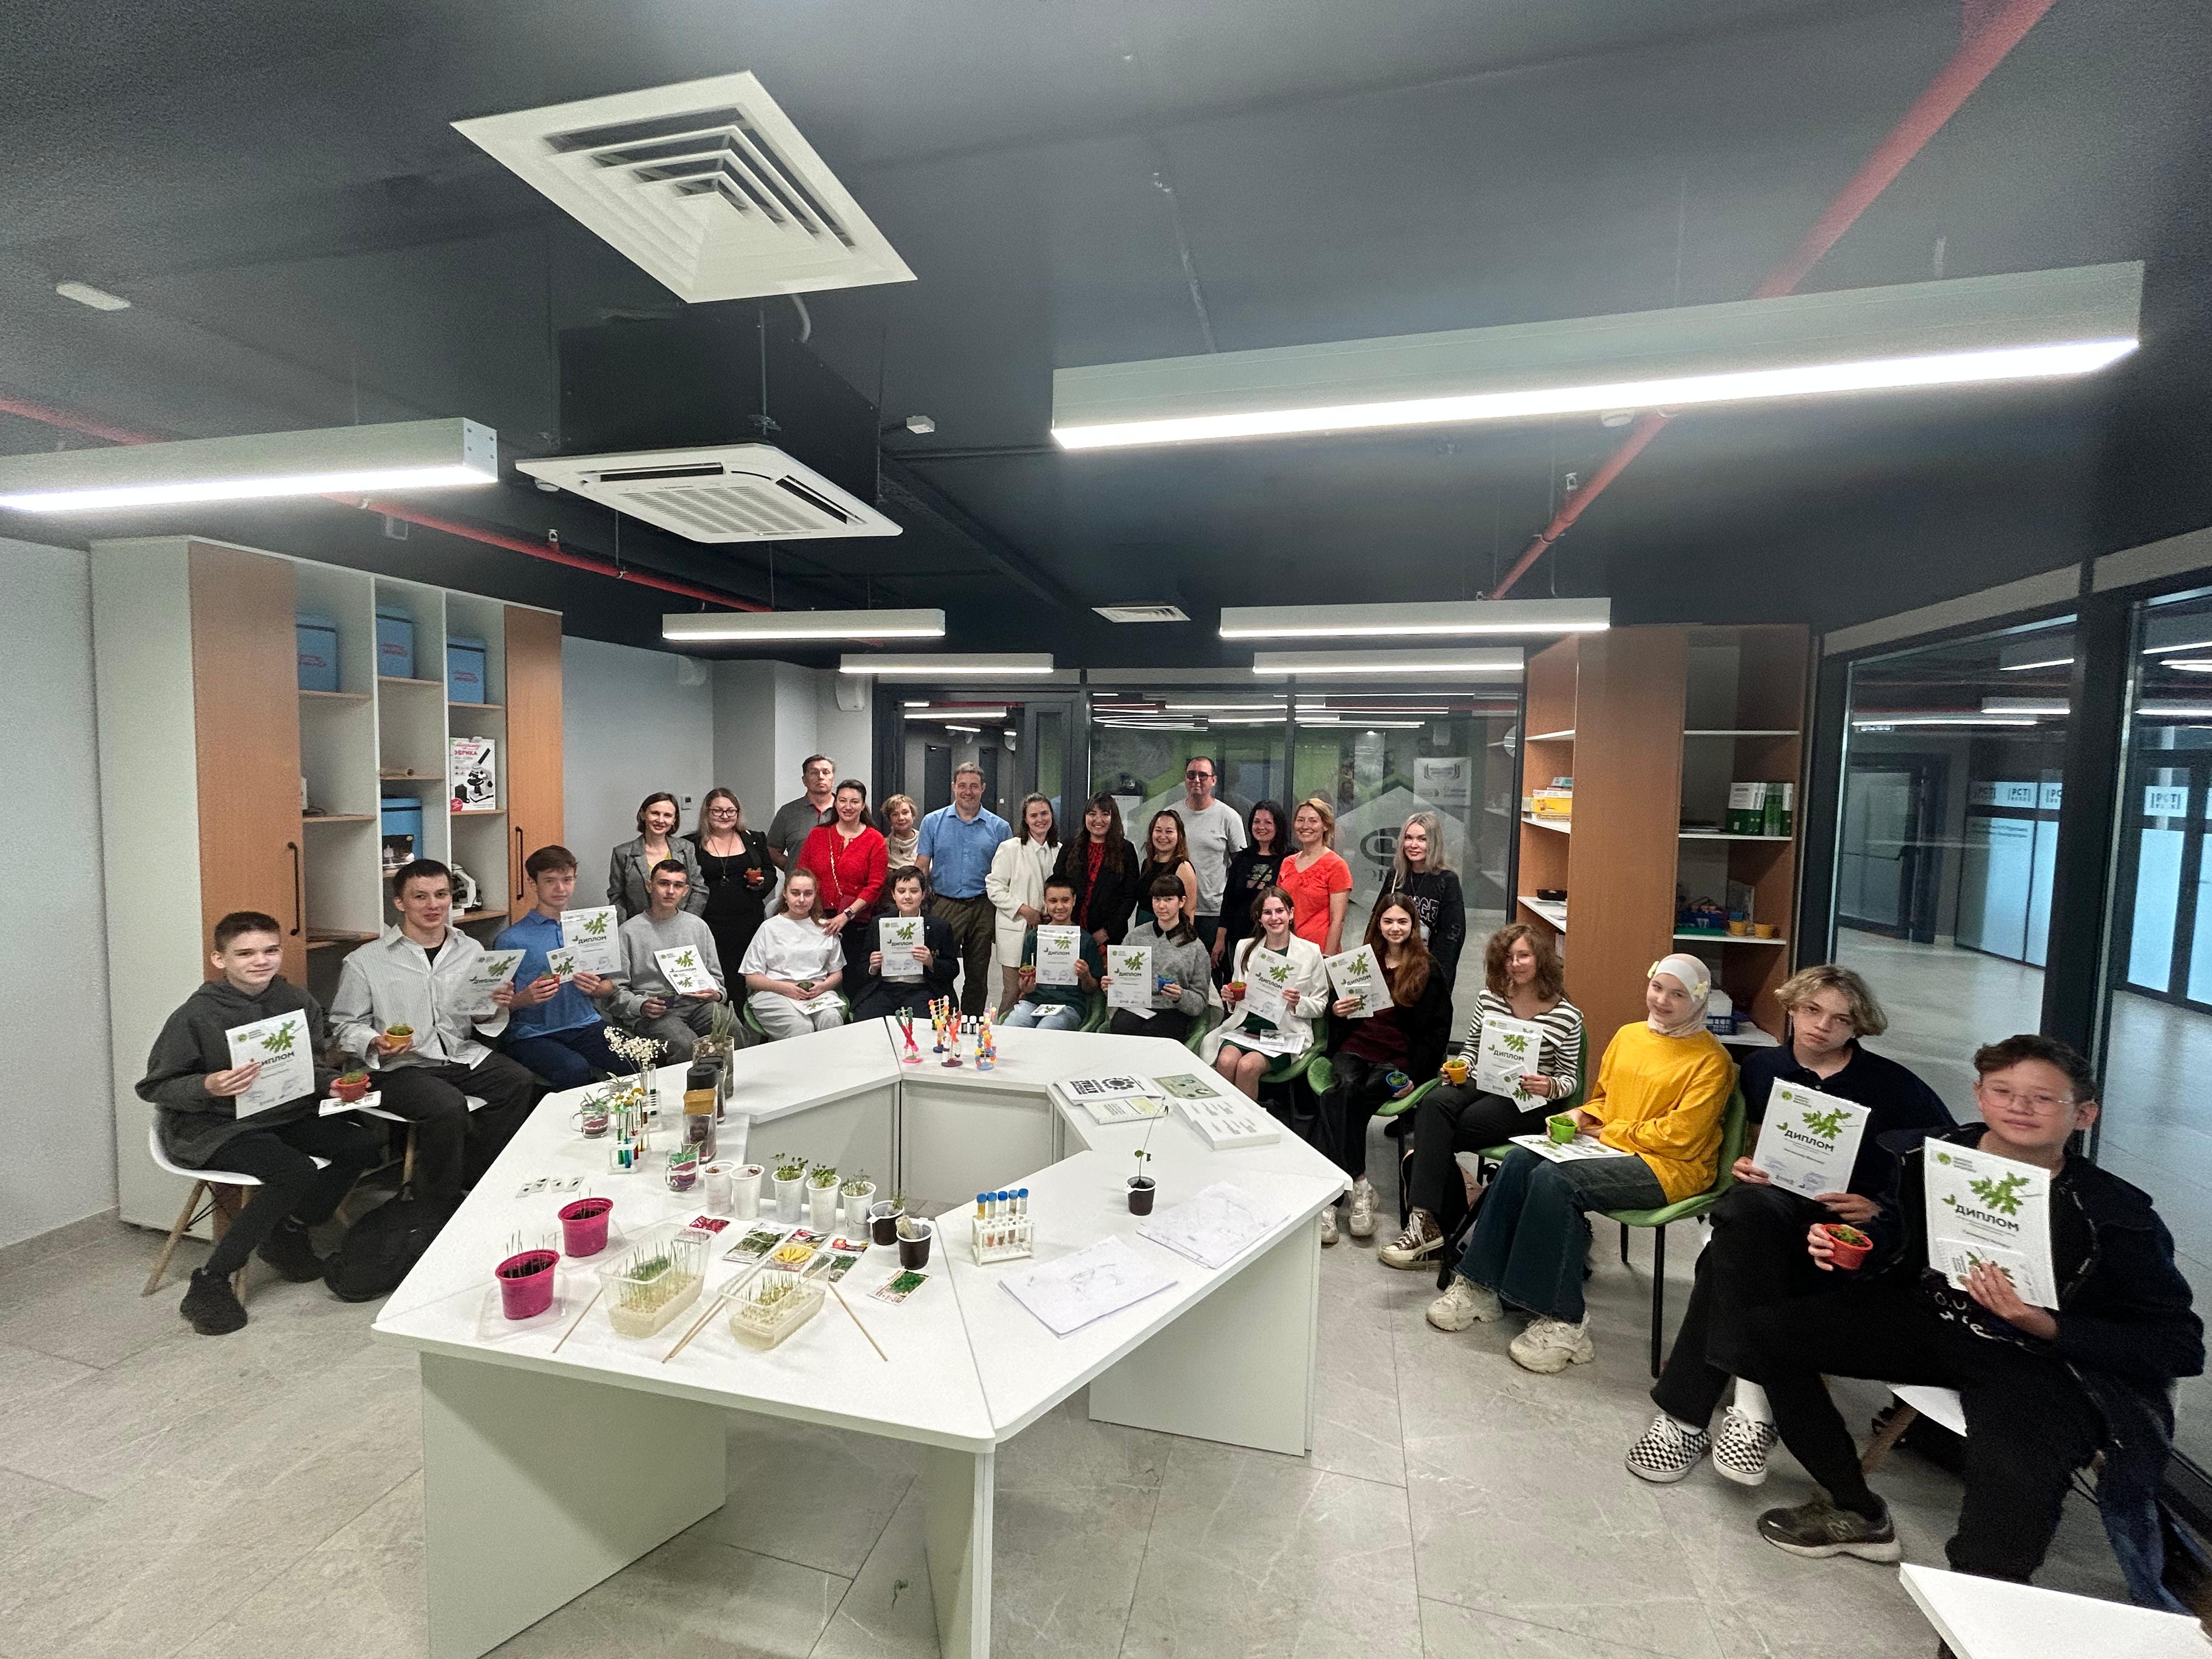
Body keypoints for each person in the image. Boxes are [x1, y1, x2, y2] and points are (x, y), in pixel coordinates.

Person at [1737, 1036, 2201, 1607]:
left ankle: (1981, 1611)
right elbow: (1901, 1238)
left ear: (2084, 1115)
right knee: (1764, 1334)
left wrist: (2043, 1324)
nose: (2019, 1107)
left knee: (2009, 1495)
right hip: (1932, 1321)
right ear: (1980, 1096)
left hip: (2037, 1361)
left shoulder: (2117, 1216)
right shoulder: (1938, 1156)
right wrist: (1859, 1247)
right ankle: (1854, 1508)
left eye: (2043, 1098)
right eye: (2003, 1091)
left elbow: (2179, 1345)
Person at [1626, 964, 1952, 1488]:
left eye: (1841, 1019)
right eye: (1812, 1010)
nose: (1823, 1026)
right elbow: (1739, 1143)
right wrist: (1739, 1164)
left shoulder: (1894, 1086)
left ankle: (1686, 1418)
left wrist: (1881, 1207)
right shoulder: (1761, 1069)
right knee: (1745, 1213)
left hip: (1840, 1223)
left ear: (1858, 1026)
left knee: (1726, 1256)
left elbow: (1945, 1159)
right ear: (1793, 1008)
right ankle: (1753, 1414)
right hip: (1772, 1200)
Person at [1427, 954, 1733, 1374]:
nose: (1662, 1001)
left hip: (1669, 1168)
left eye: (1678, 995)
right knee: (1518, 1160)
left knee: (1556, 1181)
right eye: (1658, 988)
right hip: (1610, 1145)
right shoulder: (1629, 1035)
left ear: (1698, 1001)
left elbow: (1681, 1137)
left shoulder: (1711, 1060)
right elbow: (1606, 1099)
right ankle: (1481, 1285)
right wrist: (1582, 1115)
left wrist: (1607, 1132)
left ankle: (1564, 1321)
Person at [138, 911, 383, 1334]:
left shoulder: (297, 1001)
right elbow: (156, 1086)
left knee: (361, 1144)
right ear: (220, 959)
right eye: (245, 953)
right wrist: (209, 1084)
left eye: (270, 950)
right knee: (293, 1171)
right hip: (215, 1125)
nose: (261, 961)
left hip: (282, 1112)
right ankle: (212, 1279)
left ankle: (289, 1230)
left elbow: (308, 1065)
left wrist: (330, 1084)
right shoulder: (195, 1015)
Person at [331, 860, 539, 1207]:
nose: (433, 905)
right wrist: (373, 1041)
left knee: (517, 1081)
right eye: (421, 897)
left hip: (457, 1054)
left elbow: (479, 1017)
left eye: (441, 895)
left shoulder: (471, 950)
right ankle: (434, 1202)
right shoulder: (365, 961)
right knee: (447, 1105)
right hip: (397, 1067)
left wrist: (493, 1003)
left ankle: (474, 1178)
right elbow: (342, 1026)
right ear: (400, 902)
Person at [1380, 923, 1584, 1271]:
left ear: (1541, 959)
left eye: (1523, 956)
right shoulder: (1489, 998)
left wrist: (1548, 1086)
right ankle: (1427, 1221)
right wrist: (1461, 1066)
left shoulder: (1567, 1015)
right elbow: (1472, 1048)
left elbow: (1569, 1080)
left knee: (1440, 1134)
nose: (1515, 964)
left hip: (1528, 1099)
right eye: (1508, 957)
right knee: (1433, 1105)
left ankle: (1434, 1222)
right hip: (1484, 1082)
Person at [1314, 895, 1454, 1246]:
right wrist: (1338, 1010)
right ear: (1378, 923)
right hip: (1356, 1047)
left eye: (1402, 922)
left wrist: (1415, 1075)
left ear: (1413, 926)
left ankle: (1334, 1196)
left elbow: (1438, 1032)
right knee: (1346, 1088)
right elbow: (1335, 1011)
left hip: (1399, 1058)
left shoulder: (1428, 969)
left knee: (1340, 1099)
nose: (1395, 928)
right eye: (1388, 921)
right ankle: (1360, 1185)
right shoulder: (1362, 962)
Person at [495, 845, 625, 1090]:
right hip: (533, 1034)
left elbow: (611, 985)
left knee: (638, 1056)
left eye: (567, 880)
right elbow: (490, 1006)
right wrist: (522, 999)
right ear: (532, 883)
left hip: (587, 1024)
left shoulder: (590, 928)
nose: (561, 889)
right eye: (550, 881)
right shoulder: (511, 940)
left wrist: (597, 988)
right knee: (574, 1070)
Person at [1203, 887, 1331, 1099]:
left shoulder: (1310, 952)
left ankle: (1247, 1119)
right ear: (1259, 918)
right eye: (1267, 913)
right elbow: (1237, 994)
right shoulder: (1245, 948)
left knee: (1248, 1066)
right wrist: (1231, 998)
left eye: (1280, 911)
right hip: (1246, 1028)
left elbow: (1320, 1006)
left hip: (1285, 1033)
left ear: (1291, 914)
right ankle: (1224, 1114)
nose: (1274, 918)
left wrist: (1297, 1002)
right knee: (1226, 1061)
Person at [608, 860, 726, 1060]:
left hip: (698, 1005)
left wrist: (716, 993)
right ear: (649, 886)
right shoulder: (628, 932)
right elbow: (614, 992)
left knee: (731, 1029)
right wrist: (641, 1006)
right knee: (686, 1046)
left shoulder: (698, 927)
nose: (670, 891)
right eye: (664, 883)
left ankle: (730, 1079)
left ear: (686, 891)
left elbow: (716, 978)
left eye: (678, 885)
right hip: (655, 1012)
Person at [917, 761, 1011, 1015]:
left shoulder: (1000, 828)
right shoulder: (933, 822)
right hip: (944, 904)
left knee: (978, 973)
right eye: (962, 786)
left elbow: (1007, 873)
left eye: (974, 786)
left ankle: (971, 1022)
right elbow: (922, 866)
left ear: (983, 788)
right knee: (938, 966)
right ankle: (940, 1019)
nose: (968, 792)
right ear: (953, 787)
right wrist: (914, 904)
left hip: (983, 905)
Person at [740, 867, 847, 1038]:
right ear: (785, 894)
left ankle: (830, 1056)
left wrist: (823, 987)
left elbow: (836, 973)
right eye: (795, 893)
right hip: (776, 992)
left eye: (808, 894)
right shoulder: (769, 928)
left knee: (831, 1019)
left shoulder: (826, 928)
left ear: (815, 895)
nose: (801, 900)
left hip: (817, 993)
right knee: (801, 1027)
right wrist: (785, 988)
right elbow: (752, 978)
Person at [843, 865, 958, 1022]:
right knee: (865, 1020)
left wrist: (931, 963)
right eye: (902, 891)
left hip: (922, 989)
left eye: (914, 891)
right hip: (884, 988)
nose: (907, 897)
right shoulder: (879, 923)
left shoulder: (939, 927)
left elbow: (953, 969)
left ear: (923, 894)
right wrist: (872, 967)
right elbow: (861, 968)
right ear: (893, 894)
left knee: (923, 1024)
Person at [1104, 874, 1210, 1041]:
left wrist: (1180, 996)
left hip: (1172, 1011)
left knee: (1154, 1034)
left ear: (1182, 902)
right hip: (1135, 1007)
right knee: (1122, 1027)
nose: (1161, 906)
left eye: (1169, 899)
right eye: (1157, 899)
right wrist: (1111, 987)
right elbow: (1121, 982)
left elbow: (1200, 1002)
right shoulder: (1135, 936)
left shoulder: (1195, 946)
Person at [689, 788, 774, 981]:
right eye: (717, 811)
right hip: (709, 920)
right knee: (715, 973)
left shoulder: (754, 839)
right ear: (707, 812)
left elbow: (770, 871)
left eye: (730, 811)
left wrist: (763, 882)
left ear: (738, 812)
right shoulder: (691, 844)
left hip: (748, 919)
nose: (725, 816)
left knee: (747, 974)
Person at [987, 793, 1059, 1014]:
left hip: (1049, 930)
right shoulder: (1010, 848)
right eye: (1034, 815)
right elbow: (994, 887)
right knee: (1013, 991)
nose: (1040, 819)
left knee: (1043, 991)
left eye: (1044, 814)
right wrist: (1024, 910)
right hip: (1016, 929)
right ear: (1025, 820)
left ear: (1052, 816)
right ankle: (1001, 1030)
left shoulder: (1060, 850)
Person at [1378, 809, 1466, 988]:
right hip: (1394, 966)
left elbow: (1452, 936)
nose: (1413, 845)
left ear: (1434, 843)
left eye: (1422, 839)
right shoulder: (1396, 875)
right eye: (1408, 838)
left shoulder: (1447, 880)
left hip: (1428, 970)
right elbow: (1377, 918)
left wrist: (1435, 976)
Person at [1003, 874, 1103, 1029]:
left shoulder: (1085, 940)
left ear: (1074, 901)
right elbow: (1024, 982)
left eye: (1065, 900)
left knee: (1046, 1030)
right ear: (1045, 902)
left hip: (1068, 1005)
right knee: (1011, 1027)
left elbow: (1092, 989)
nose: (1060, 907)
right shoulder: (1034, 937)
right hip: (1033, 1002)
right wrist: (1026, 986)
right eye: (1053, 901)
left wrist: (1085, 975)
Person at [1172, 754, 1247, 958]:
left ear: (1213, 780)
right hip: (1177, 910)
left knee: (1213, 969)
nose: (1196, 780)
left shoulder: (1229, 817)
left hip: (1214, 913)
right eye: (1191, 775)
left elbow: (1239, 867)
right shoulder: (1171, 815)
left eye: (1203, 775)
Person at [799, 779, 889, 938]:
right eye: (842, 801)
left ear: (863, 805)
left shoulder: (875, 839)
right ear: (835, 803)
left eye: (854, 802)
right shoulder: (817, 835)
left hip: (856, 921)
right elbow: (802, 873)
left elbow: (875, 885)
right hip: (816, 918)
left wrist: (847, 914)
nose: (848, 807)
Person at [1056, 793, 1144, 951]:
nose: (1098, 820)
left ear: (1113, 818)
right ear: (1085, 817)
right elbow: (1057, 885)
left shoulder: (1126, 850)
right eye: (1092, 814)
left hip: (1109, 937)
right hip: (1070, 931)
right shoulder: (1069, 847)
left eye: (1105, 814)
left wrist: (1106, 932)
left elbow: (1130, 897)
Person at [1215, 799, 1288, 980]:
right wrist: (1220, 939)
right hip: (1239, 937)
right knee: (1239, 983)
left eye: (1268, 822)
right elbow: (1228, 901)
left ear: (1278, 826)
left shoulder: (1289, 858)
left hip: (1275, 938)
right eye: (1257, 822)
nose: (1261, 827)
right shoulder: (1242, 859)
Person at [607, 792, 704, 923]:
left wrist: (686, 921)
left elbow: (699, 889)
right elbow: (617, 896)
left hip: (680, 925)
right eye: (655, 813)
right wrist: (626, 927)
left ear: (674, 820)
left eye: (667, 815)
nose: (660, 820)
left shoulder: (687, 848)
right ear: (643, 814)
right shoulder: (623, 854)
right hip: (639, 927)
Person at [1278, 797, 1353, 956]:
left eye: (1313, 821)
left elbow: (1338, 921)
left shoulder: (1336, 866)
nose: (1305, 826)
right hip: (1287, 949)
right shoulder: (1287, 863)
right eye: (1301, 820)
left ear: (1326, 825)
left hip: (1318, 952)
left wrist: (1327, 959)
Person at [766, 753, 838, 873]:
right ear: (804, 780)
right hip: (799, 884)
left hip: (841, 884)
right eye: (814, 772)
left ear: (833, 780)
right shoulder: (788, 812)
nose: (821, 777)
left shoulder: (846, 811)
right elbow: (772, 850)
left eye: (826, 772)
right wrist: (792, 869)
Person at [1132, 810, 1199, 934]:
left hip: (1169, 934)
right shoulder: (1147, 863)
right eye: (1158, 830)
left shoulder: (1183, 867)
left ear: (1179, 835)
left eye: (1169, 832)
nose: (1163, 836)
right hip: (1143, 931)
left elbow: (1189, 910)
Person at [882, 793, 922, 872]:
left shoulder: (926, 841)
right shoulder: (883, 846)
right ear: (890, 819)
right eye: (895, 815)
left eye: (905, 812)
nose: (901, 818)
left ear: (913, 815)